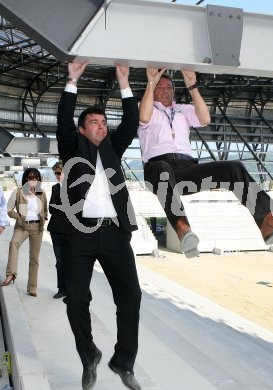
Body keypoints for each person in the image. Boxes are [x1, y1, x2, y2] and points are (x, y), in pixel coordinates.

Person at [138, 68, 273, 257]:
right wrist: (151, 82)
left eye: (169, 87)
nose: (165, 90)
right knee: (163, 169)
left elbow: (205, 118)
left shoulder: (182, 110)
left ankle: (269, 220)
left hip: (186, 171)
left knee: (233, 168)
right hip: (157, 170)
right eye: (160, 86)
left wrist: (192, 86)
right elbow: (143, 117)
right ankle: (182, 227)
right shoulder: (146, 107)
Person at [56, 62, 141, 390]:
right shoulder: (72, 146)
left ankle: (123, 361)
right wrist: (72, 81)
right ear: (82, 130)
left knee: (131, 296)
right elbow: (64, 120)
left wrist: (124, 81)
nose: (101, 126)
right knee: (76, 297)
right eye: (94, 122)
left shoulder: (113, 148)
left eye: (104, 122)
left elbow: (131, 122)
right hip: (79, 233)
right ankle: (88, 354)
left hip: (116, 231)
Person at [1, 168, 48, 297]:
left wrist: (44, 216)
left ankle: (32, 288)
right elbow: (9, 209)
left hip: (37, 228)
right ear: (26, 179)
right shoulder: (18, 192)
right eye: (30, 177)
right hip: (22, 227)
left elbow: (45, 209)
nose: (33, 180)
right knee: (13, 243)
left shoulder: (41, 193)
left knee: (34, 259)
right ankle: (10, 274)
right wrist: (19, 217)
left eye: (36, 178)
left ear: (38, 180)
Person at [47, 161, 68, 299]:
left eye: (59, 173)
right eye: (56, 173)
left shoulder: (75, 187)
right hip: (56, 230)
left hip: (72, 231)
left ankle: (71, 289)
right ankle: (62, 289)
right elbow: (51, 208)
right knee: (59, 262)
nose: (57, 176)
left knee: (72, 262)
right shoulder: (55, 188)